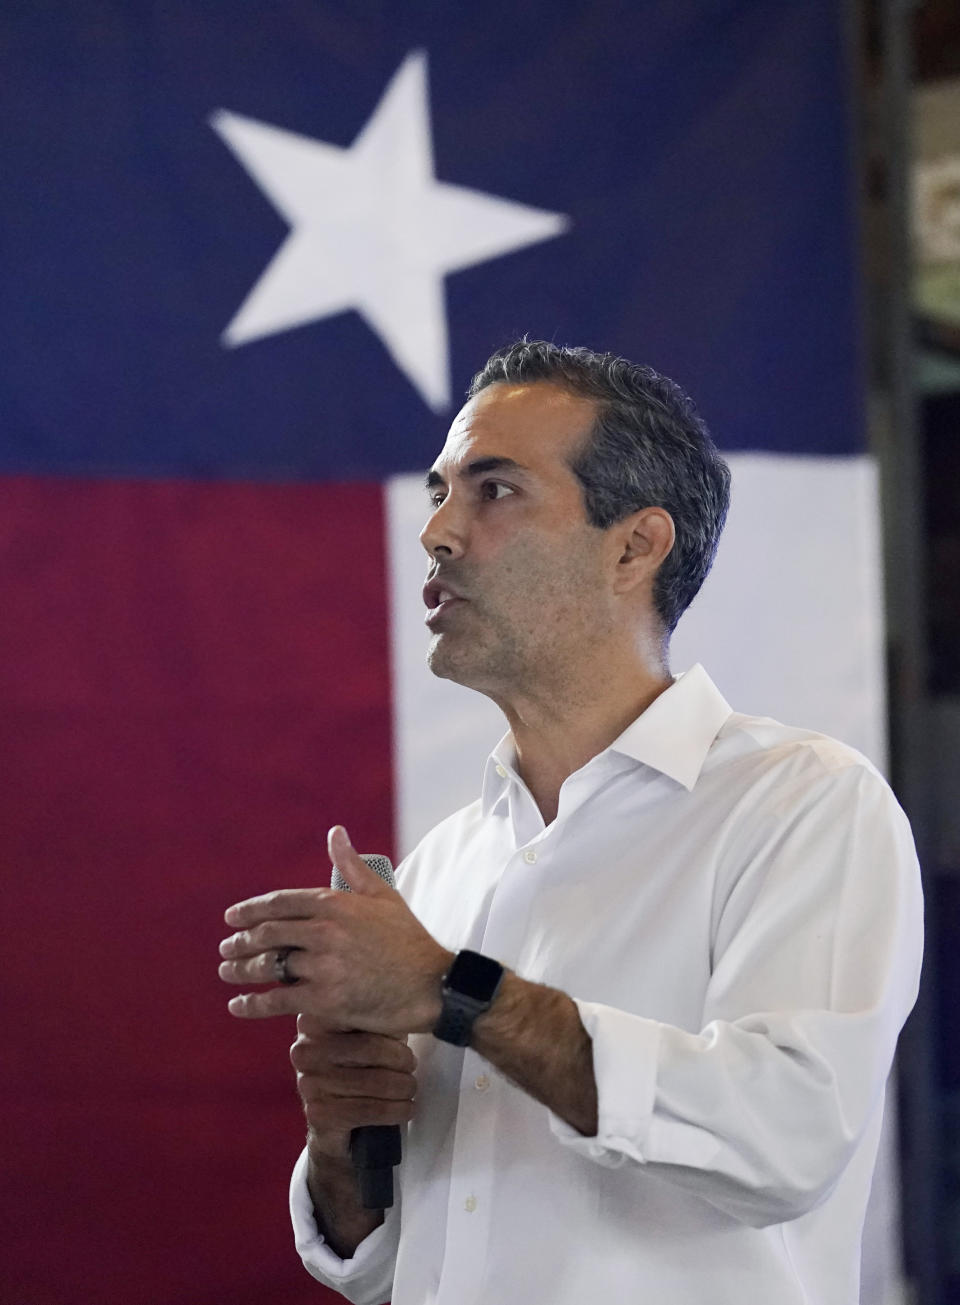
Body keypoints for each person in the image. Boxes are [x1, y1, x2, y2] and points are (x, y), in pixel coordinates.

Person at [218, 340, 923, 1305]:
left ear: (634, 545)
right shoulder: (442, 866)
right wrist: (346, 1154)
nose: (438, 531)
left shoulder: (801, 805)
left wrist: (450, 988)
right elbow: (388, 1266)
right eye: (439, 490)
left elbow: (784, 1133)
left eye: (494, 489)